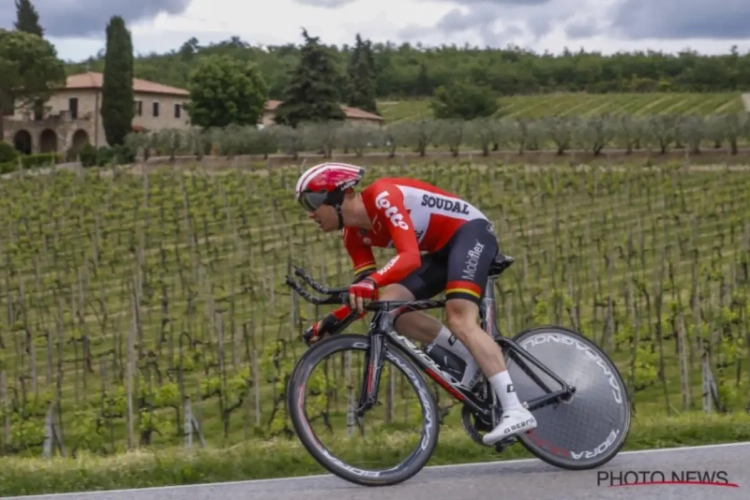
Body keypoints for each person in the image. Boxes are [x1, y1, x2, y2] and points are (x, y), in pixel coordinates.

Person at [294, 162, 537, 445]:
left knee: (459, 318)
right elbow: (368, 292)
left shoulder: (382, 196)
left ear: (341, 195)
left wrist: (370, 283)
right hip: (439, 251)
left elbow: (408, 257)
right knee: (391, 310)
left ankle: (515, 409)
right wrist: (332, 320)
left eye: (312, 201)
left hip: (470, 235)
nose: (310, 213)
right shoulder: (353, 236)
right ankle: (470, 354)